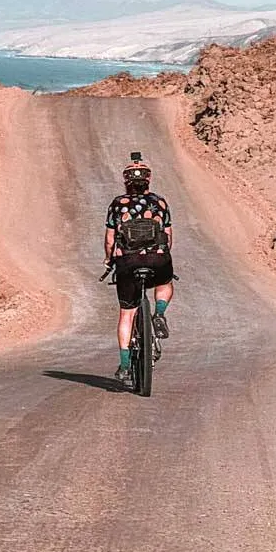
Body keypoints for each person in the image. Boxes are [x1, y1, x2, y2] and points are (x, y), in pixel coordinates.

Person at [104, 151, 175, 384]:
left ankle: (125, 367)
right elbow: (168, 235)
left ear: (126, 182)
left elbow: (109, 240)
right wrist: (162, 254)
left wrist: (109, 260)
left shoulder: (118, 204)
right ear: (148, 180)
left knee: (127, 313)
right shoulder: (160, 202)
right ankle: (160, 313)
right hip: (157, 259)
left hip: (128, 262)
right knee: (164, 283)